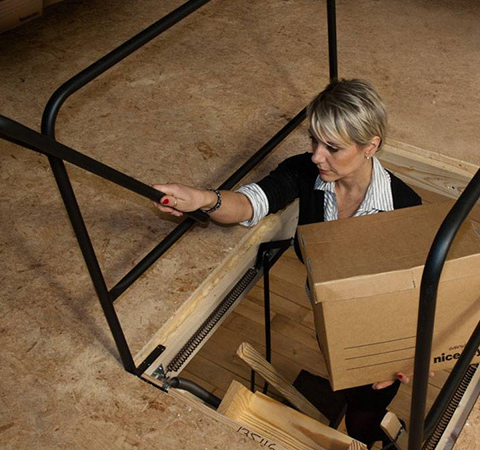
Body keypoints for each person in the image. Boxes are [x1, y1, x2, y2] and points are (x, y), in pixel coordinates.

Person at [153, 79, 421, 448]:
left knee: (363, 408)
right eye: (314, 140)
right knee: (340, 378)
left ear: (370, 146)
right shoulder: (306, 172)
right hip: (327, 314)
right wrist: (202, 199)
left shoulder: (405, 208)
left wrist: (404, 353)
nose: (316, 156)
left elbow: (419, 294)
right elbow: (250, 203)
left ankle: (374, 437)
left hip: (377, 329)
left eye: (332, 147)